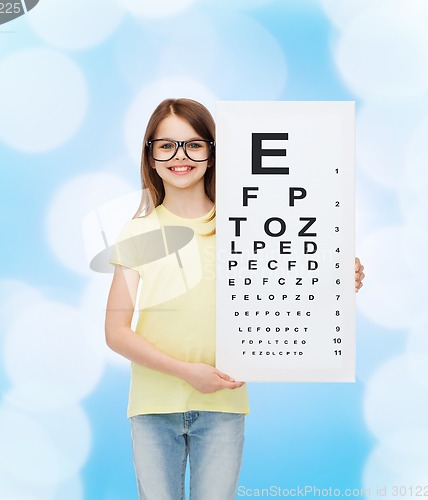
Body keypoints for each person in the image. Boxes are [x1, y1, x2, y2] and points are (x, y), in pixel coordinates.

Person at [105, 98, 365, 500]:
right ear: (150, 156)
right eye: (167, 145)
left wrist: (333, 278)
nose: (181, 156)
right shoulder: (138, 232)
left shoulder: (247, 226)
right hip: (153, 406)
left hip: (224, 405)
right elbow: (116, 332)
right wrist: (186, 371)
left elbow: (285, 285)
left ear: (212, 153)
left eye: (194, 144)